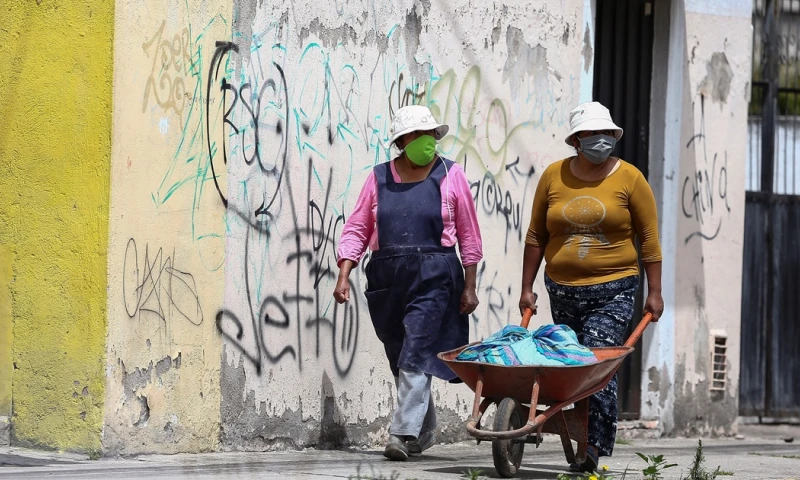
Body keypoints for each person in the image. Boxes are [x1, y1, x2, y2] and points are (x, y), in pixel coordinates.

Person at [518, 101, 664, 472]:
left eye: (607, 134)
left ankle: (595, 445)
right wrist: (527, 287)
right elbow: (536, 234)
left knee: (596, 359)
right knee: (569, 362)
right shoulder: (554, 176)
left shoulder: (630, 178)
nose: (601, 140)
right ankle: (575, 432)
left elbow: (648, 238)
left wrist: (655, 291)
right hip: (562, 289)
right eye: (592, 134)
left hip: (613, 288)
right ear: (577, 140)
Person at [333, 105, 483, 461]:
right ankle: (424, 429)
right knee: (399, 354)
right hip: (387, 275)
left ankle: (401, 433)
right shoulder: (378, 177)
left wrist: (470, 284)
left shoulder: (452, 174)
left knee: (416, 350)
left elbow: (468, 233)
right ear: (402, 141)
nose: (428, 142)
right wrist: (344, 273)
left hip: (435, 274)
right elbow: (357, 227)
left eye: (431, 135)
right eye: (419, 136)